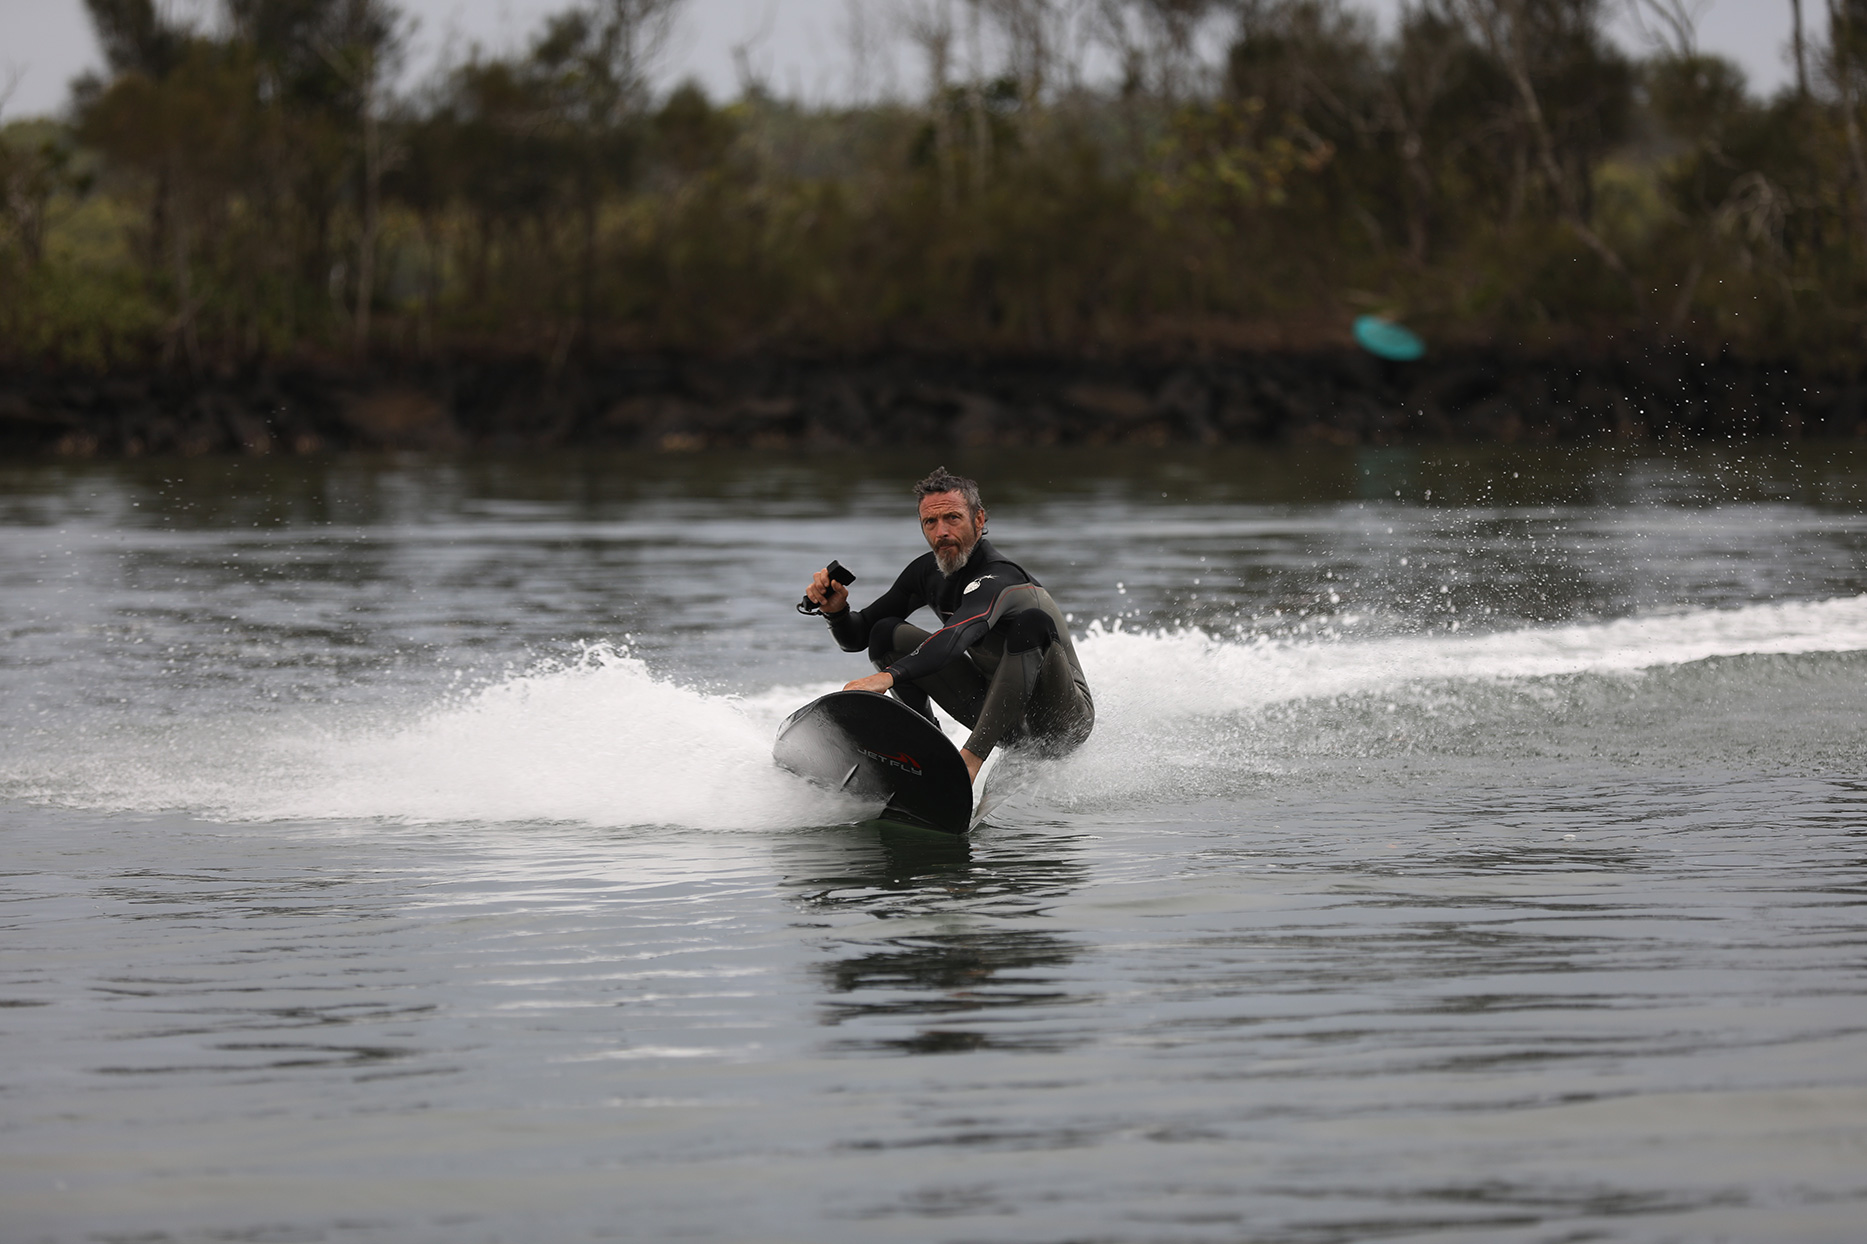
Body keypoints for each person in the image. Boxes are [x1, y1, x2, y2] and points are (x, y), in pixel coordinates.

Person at [802, 467, 1094, 783]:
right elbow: (858, 637)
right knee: (885, 633)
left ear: (979, 520)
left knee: (1032, 623)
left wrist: (888, 677)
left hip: (1061, 721)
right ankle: (924, 755)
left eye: (952, 518)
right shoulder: (926, 573)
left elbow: (955, 638)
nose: (941, 531)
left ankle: (968, 762)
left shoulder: (1003, 578)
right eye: (931, 522)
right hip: (1000, 718)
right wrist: (837, 612)